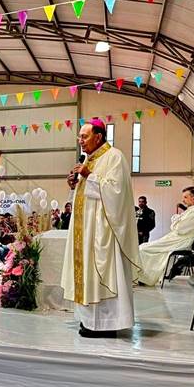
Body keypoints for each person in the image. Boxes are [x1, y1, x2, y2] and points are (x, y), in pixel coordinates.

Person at [61, 119, 140, 338]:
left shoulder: (114, 156)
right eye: (79, 137)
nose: (80, 141)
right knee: (88, 277)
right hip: (85, 231)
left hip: (103, 231)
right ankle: (90, 321)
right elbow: (84, 198)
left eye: (84, 136)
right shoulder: (89, 160)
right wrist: (74, 184)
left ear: (99, 136)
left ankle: (107, 324)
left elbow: (116, 193)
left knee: (103, 275)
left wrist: (89, 175)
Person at [137, 187, 194, 286]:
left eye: (185, 197)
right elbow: (178, 223)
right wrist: (177, 220)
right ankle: (144, 276)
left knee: (142, 249)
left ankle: (144, 277)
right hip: (177, 238)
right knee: (143, 247)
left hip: (181, 240)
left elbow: (179, 228)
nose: (183, 200)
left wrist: (175, 220)